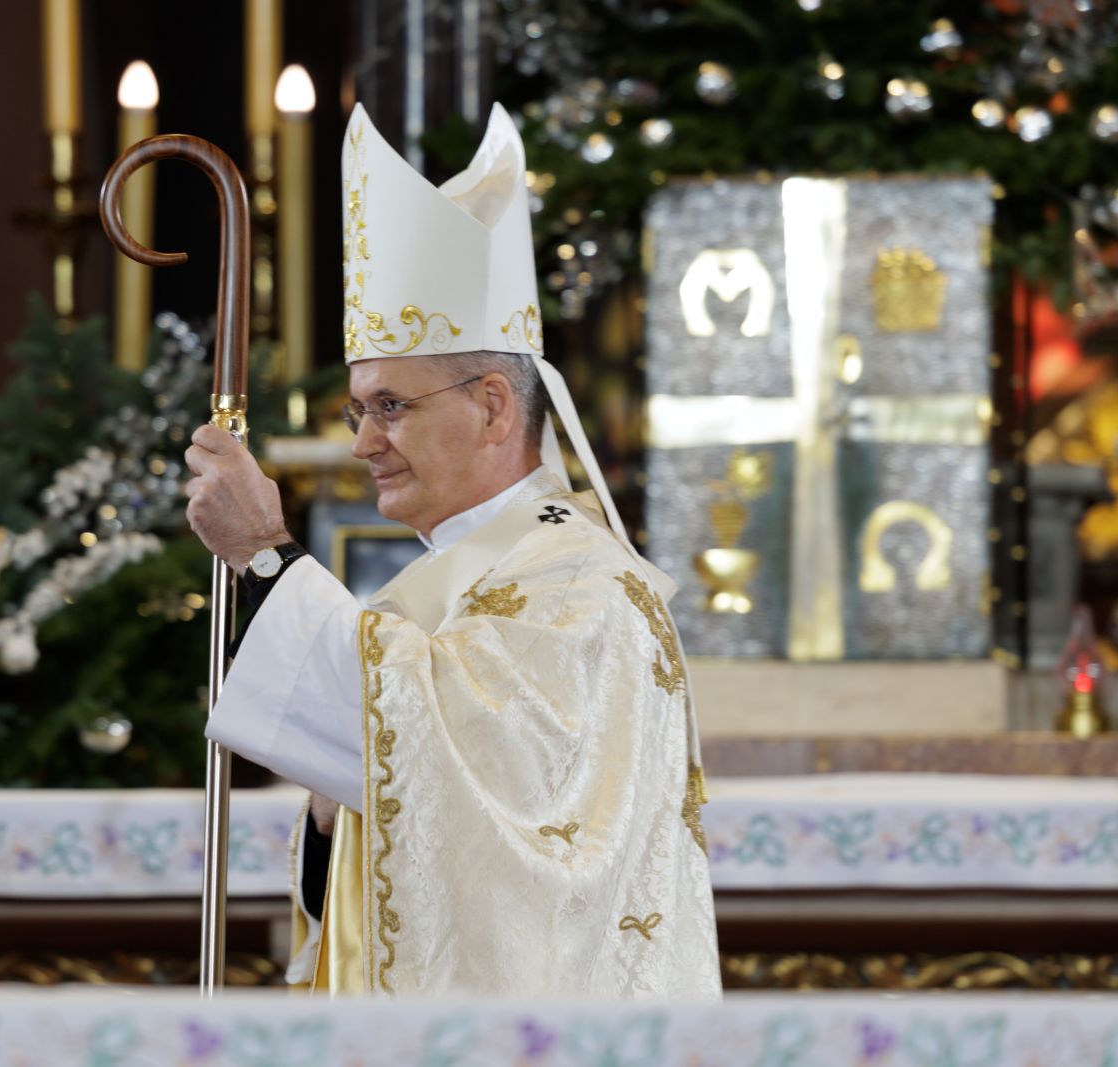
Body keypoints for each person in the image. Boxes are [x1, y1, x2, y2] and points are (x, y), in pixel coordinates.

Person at [183, 103, 720, 997]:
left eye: (391, 405)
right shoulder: (447, 582)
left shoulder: (581, 590)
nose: (362, 442)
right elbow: (412, 781)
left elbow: (509, 835)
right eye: (359, 411)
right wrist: (328, 819)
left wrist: (267, 555)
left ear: (493, 408)